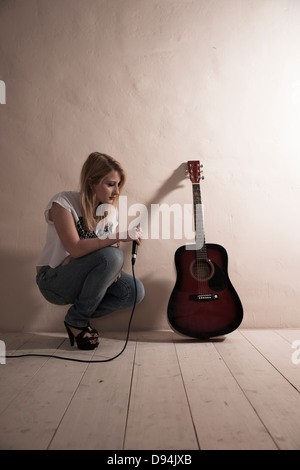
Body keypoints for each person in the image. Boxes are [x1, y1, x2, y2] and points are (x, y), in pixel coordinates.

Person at [36, 152, 145, 350]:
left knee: (134, 291)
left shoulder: (109, 213)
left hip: (85, 280)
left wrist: (112, 270)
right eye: (111, 184)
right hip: (53, 280)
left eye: (119, 185)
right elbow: (75, 248)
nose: (117, 191)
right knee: (113, 256)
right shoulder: (63, 203)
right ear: (91, 182)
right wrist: (119, 237)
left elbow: (104, 256)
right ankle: (77, 322)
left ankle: (77, 316)